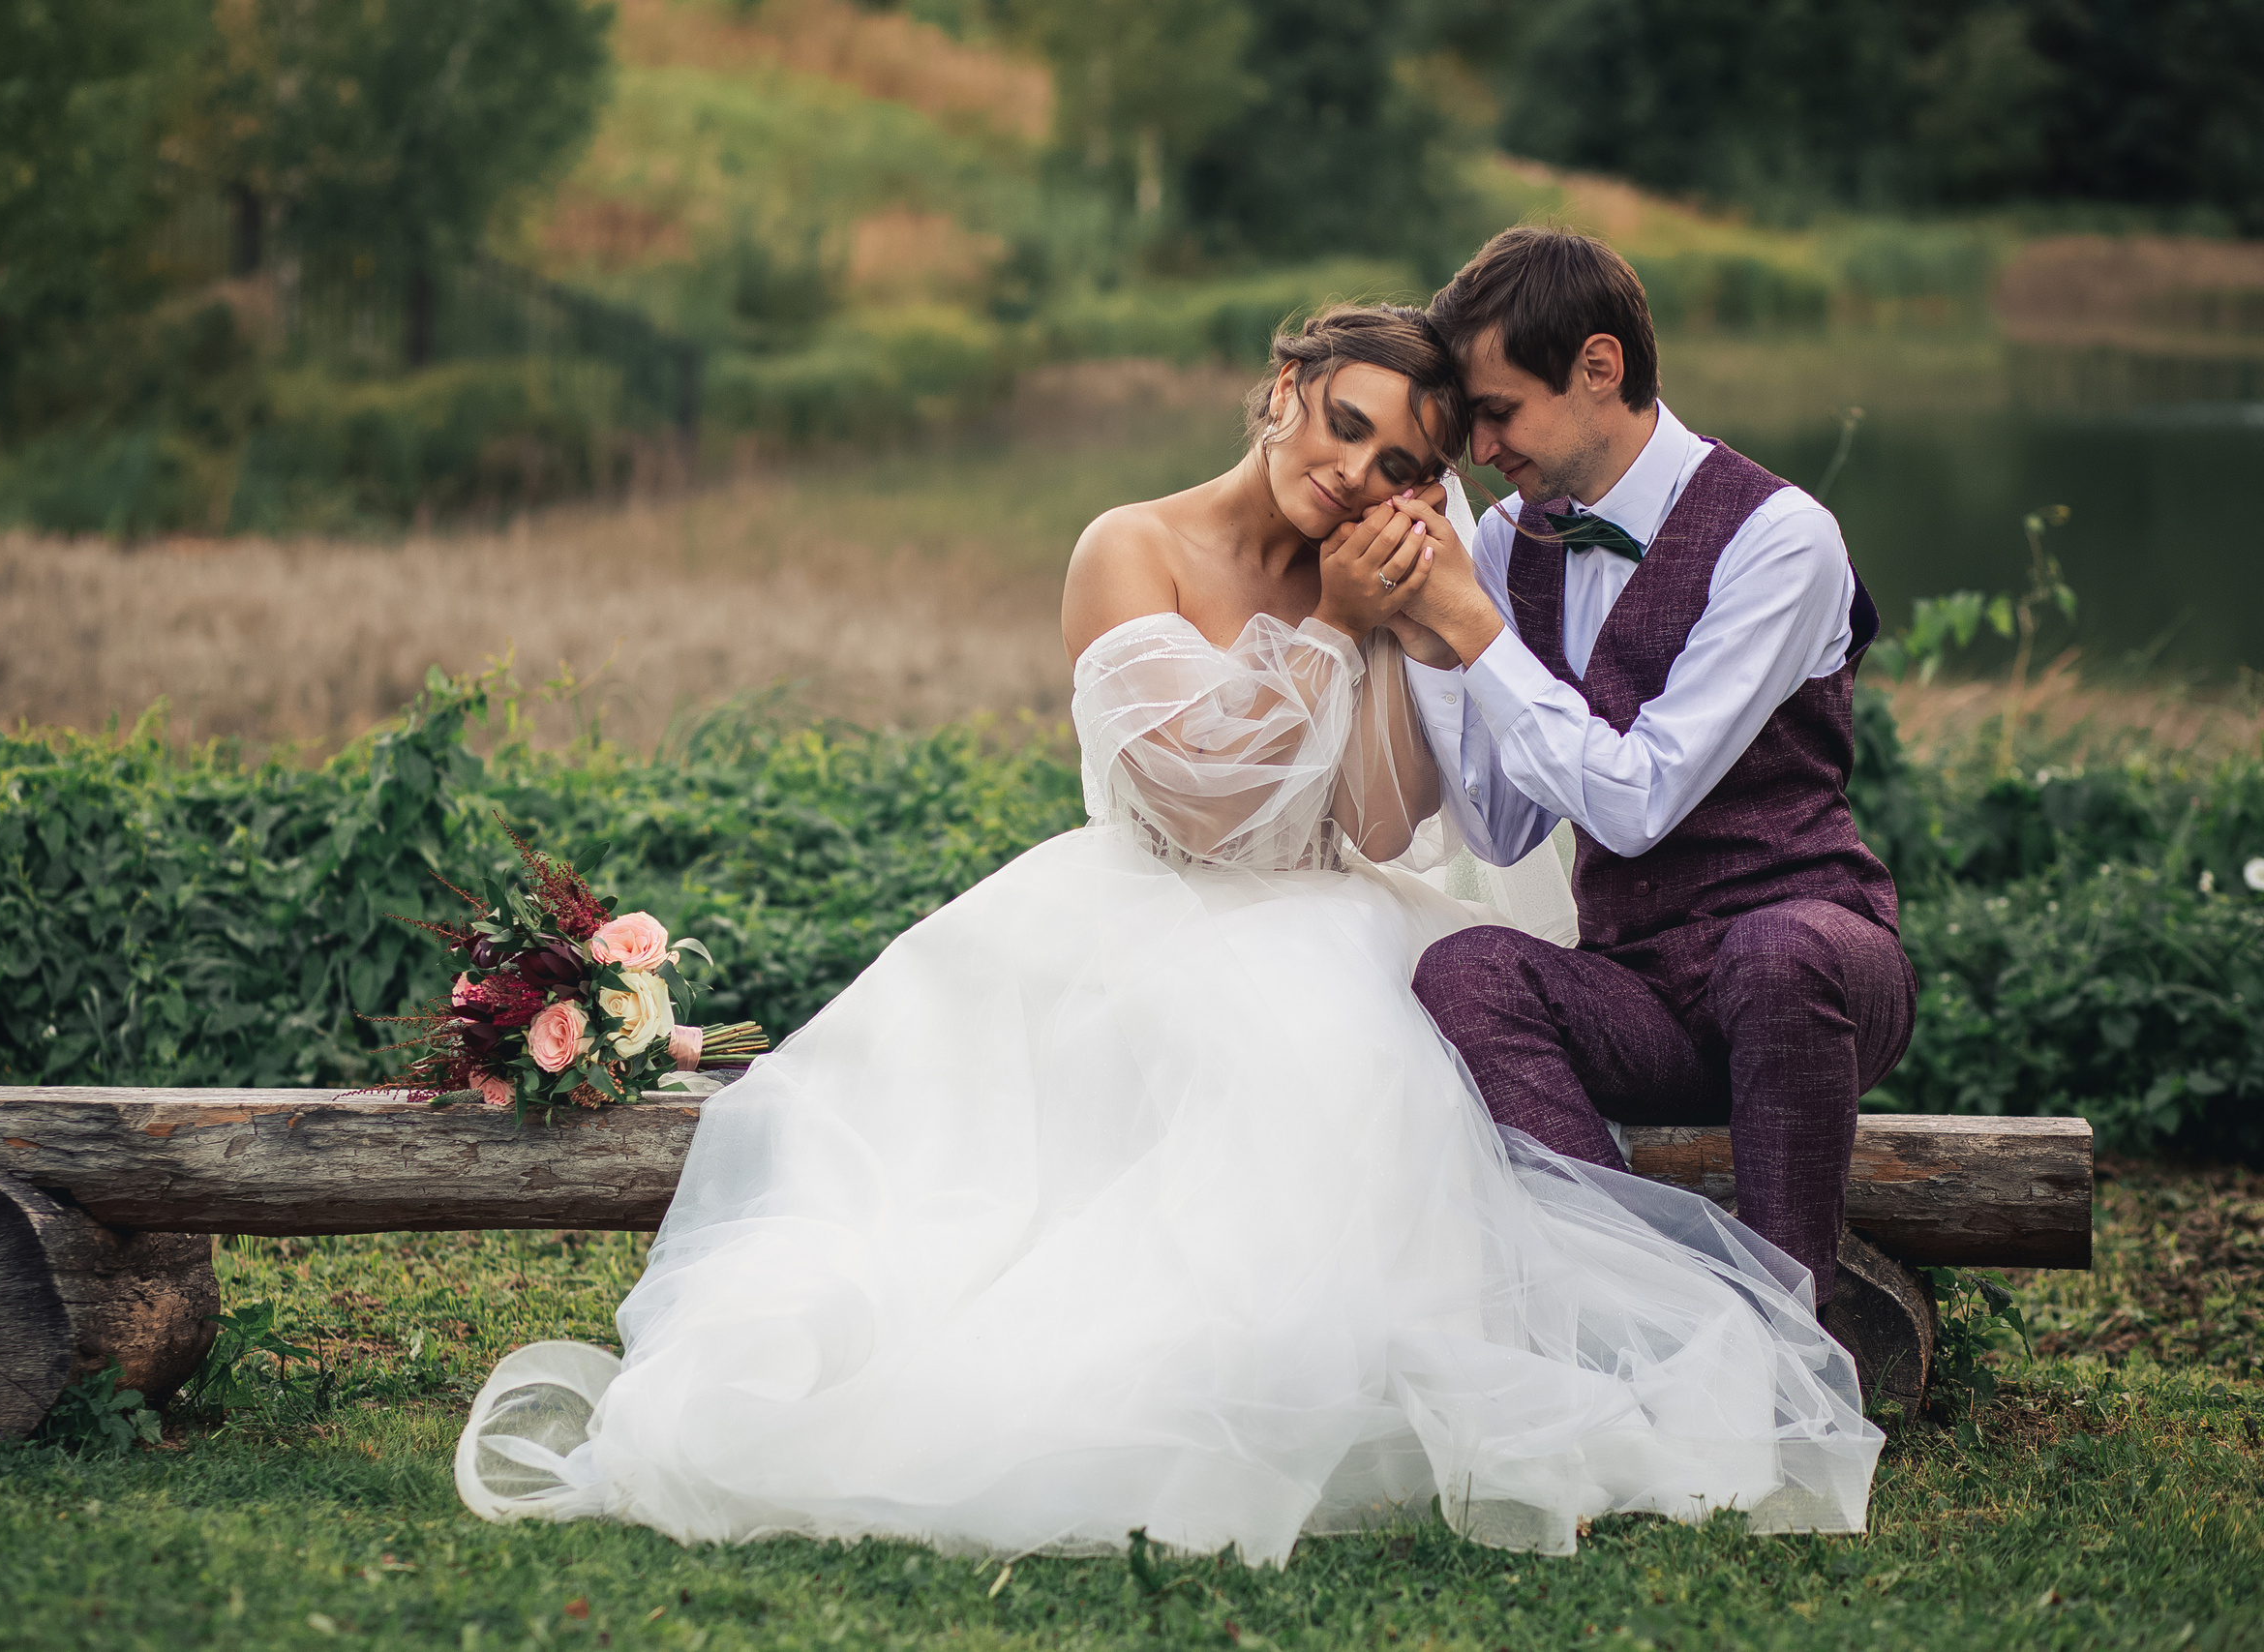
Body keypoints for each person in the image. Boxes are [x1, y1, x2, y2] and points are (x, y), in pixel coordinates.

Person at [453, 305, 1881, 1566]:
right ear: (1283, 386)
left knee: (1419, 1023)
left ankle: (1565, 1367)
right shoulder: (1128, 545)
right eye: (1343, 426)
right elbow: (1196, 805)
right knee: (1271, 1070)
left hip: (1341, 909)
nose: (1353, 474)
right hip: (1149, 908)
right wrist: (1328, 624)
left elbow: (1382, 825)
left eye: (1398, 467)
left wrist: (1401, 633)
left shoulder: (1380, 582)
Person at [1379, 226, 1917, 1313]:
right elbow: (1498, 828)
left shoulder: (1780, 535)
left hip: (1812, 963)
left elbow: (1637, 803)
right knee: (1465, 972)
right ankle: (1645, 1311)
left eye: (1498, 410)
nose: (1480, 450)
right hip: (1643, 991)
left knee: (1775, 956)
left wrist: (1479, 639)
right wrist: (1432, 641)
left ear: (1597, 367)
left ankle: (1790, 1334)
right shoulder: (1509, 545)